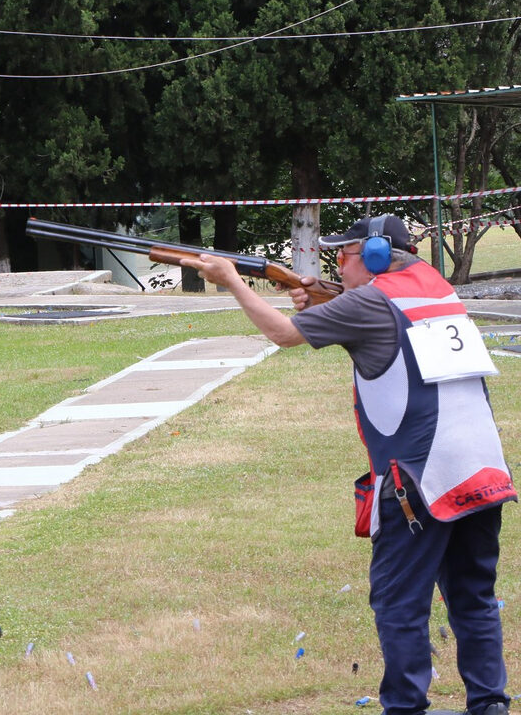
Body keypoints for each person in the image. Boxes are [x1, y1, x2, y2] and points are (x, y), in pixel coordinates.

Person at [180, 214, 514, 715]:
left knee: (398, 604)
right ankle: (490, 706)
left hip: (417, 478)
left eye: (345, 254)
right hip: (480, 468)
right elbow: (394, 332)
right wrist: (330, 295)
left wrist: (230, 280)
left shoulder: (370, 299)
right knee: (473, 598)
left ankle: (404, 708)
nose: (337, 262)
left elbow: (282, 334)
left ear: (377, 257)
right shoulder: (435, 286)